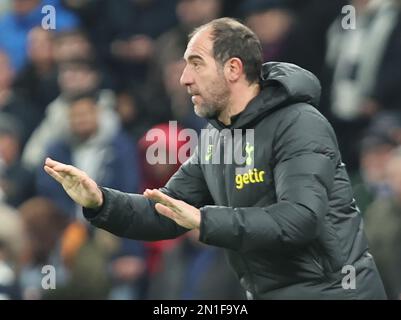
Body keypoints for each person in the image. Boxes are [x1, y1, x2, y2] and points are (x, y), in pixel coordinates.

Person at [44, 17, 386, 300]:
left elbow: (299, 220)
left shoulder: (299, 123)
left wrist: (205, 221)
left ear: (233, 68)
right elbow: (166, 211)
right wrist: (101, 201)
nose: (183, 78)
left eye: (195, 63)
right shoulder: (216, 138)